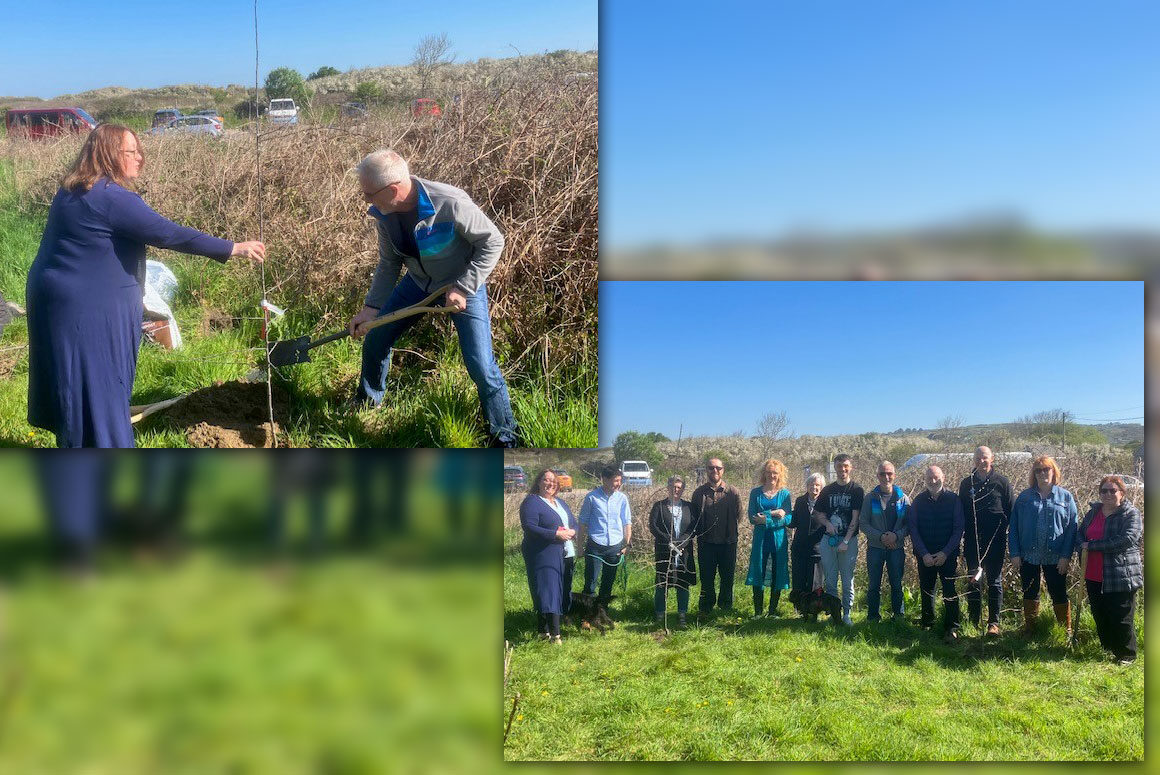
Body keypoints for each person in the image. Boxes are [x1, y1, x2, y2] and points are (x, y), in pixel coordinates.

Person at [25, 124, 266, 447]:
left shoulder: (74, 189)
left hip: (57, 300)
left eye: (141, 151)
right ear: (110, 153)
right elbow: (167, 233)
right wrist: (232, 247)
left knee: (75, 382)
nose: (140, 158)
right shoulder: (110, 196)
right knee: (102, 383)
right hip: (88, 308)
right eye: (132, 152)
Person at [348, 149, 519, 447]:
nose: (365, 201)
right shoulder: (384, 214)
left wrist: (464, 286)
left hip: (461, 285)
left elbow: (492, 241)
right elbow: (389, 263)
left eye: (368, 194)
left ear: (392, 190)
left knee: (481, 365)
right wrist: (370, 309)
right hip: (418, 283)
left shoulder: (449, 202)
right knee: (376, 337)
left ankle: (504, 436)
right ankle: (367, 402)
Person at [1077, 476, 1142, 665]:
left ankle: (1126, 654)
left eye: (1112, 490)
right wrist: (1081, 545)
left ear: (1122, 492)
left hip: (1120, 574)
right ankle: (1109, 647)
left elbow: (1127, 539)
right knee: (1100, 612)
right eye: (1104, 491)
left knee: (1121, 615)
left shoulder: (1130, 514)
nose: (1107, 494)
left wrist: (1092, 545)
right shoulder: (1093, 512)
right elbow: (1081, 534)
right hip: (1093, 572)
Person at [1010, 455, 1078, 635]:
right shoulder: (1024, 497)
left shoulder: (1066, 497)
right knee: (1030, 591)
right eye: (1038, 470)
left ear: (1053, 471)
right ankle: (1030, 629)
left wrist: (1066, 556)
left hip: (1055, 555)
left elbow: (1072, 528)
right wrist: (1015, 553)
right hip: (1028, 554)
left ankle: (1065, 631)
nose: (1042, 473)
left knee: (1058, 592)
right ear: (1034, 474)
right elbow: (1014, 526)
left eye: (1046, 469)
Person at [958, 446, 1014, 636]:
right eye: (978, 458)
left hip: (996, 542)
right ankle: (973, 621)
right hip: (973, 542)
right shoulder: (966, 484)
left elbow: (1011, 512)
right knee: (974, 580)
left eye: (985, 458)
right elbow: (961, 514)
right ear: (974, 460)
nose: (982, 461)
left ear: (992, 459)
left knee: (994, 582)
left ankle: (993, 623)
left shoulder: (1002, 482)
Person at [519, 469, 577, 644]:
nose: (550, 483)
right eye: (546, 480)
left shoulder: (560, 503)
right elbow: (529, 527)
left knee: (560, 592)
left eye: (554, 481)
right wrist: (555, 534)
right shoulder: (532, 502)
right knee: (549, 592)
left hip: (565, 553)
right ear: (538, 482)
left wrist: (574, 530)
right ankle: (555, 635)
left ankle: (542, 632)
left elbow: (572, 522)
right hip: (543, 554)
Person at [910, 465, 965, 641]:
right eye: (929, 478)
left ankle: (952, 627)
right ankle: (928, 623)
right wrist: (924, 553)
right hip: (924, 555)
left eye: (936, 477)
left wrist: (945, 553)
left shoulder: (954, 500)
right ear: (924, 480)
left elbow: (958, 529)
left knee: (950, 590)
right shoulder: (918, 501)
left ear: (944, 478)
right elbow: (913, 529)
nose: (933, 481)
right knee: (927, 589)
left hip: (947, 555)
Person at [812, 454, 863, 626]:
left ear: (851, 467)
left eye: (846, 466)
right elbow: (818, 513)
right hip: (829, 540)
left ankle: (847, 613)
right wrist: (827, 524)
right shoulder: (827, 490)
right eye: (839, 466)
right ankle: (835, 614)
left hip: (848, 541)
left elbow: (856, 519)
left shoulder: (856, 490)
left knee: (847, 578)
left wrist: (846, 541)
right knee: (831, 578)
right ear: (835, 467)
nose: (843, 469)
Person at [690, 457, 744, 615]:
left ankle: (725, 607)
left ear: (723, 470)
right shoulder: (699, 493)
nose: (715, 471)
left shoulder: (732, 492)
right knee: (706, 578)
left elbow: (739, 516)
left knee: (727, 578)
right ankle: (706, 607)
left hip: (728, 543)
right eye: (711, 468)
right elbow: (694, 517)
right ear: (706, 470)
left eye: (718, 468)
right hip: (706, 543)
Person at [860, 460, 910, 622]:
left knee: (897, 584)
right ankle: (873, 617)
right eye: (882, 473)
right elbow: (863, 523)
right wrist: (881, 537)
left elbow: (910, 525)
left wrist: (896, 536)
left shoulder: (904, 499)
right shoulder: (870, 498)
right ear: (877, 476)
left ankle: (898, 616)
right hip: (875, 548)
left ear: (894, 475)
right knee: (874, 585)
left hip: (896, 548)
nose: (886, 477)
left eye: (889, 473)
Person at [578, 465, 632, 611]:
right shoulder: (592, 497)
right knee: (590, 582)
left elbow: (627, 522)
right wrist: (579, 547)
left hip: (614, 546)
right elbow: (582, 523)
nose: (618, 484)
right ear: (605, 480)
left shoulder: (622, 498)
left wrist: (627, 544)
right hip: (595, 545)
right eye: (616, 481)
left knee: (608, 582)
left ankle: (601, 612)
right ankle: (586, 615)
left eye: (620, 480)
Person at [745, 459, 793, 617]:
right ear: (764, 473)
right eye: (769, 472)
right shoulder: (755, 493)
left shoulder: (785, 494)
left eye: (775, 473)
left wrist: (764, 518)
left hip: (778, 540)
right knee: (758, 570)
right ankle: (758, 612)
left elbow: (788, 519)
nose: (772, 475)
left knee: (777, 572)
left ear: (780, 474)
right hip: (761, 540)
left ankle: (772, 611)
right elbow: (752, 518)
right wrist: (773, 513)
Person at [648, 475, 697, 627]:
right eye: (673, 486)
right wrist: (668, 541)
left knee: (682, 583)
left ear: (683, 489)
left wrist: (681, 542)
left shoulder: (689, 507)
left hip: (684, 552)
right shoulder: (659, 506)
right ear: (667, 487)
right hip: (664, 551)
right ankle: (660, 615)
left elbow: (693, 528)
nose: (675, 490)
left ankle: (682, 615)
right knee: (662, 583)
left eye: (679, 487)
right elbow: (653, 526)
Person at [789, 472, 826, 617]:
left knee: (814, 582)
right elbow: (794, 521)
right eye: (812, 484)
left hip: (817, 549)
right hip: (799, 547)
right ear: (807, 486)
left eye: (817, 485)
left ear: (821, 487)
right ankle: (799, 610)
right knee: (798, 579)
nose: (814, 488)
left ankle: (813, 611)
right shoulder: (800, 501)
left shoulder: (825, 504)